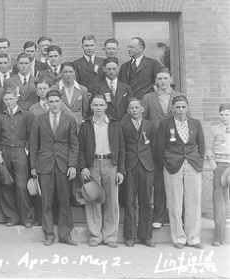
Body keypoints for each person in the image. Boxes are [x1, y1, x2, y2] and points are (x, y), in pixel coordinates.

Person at [154, 95, 205, 249]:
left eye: (183, 107)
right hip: (172, 165)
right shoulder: (165, 124)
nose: (181, 110)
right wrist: (167, 162)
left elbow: (201, 145)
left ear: (187, 108)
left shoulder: (196, 124)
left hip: (192, 164)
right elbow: (159, 148)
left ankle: (193, 238)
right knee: (175, 202)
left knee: (194, 202)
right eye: (177, 107)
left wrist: (200, 162)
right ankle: (179, 238)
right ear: (172, 108)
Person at [29, 90, 79, 246]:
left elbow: (74, 145)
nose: (55, 104)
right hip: (45, 165)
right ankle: (49, 234)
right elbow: (33, 144)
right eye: (51, 101)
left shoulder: (69, 120)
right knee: (46, 201)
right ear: (47, 103)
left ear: (61, 102)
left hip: (63, 165)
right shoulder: (39, 120)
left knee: (64, 200)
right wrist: (33, 166)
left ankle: (65, 234)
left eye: (57, 101)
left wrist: (72, 165)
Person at [78, 94, 125, 248]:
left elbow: (122, 149)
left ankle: (110, 236)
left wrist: (120, 170)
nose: (98, 108)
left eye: (101, 105)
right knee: (93, 199)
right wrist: (83, 166)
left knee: (112, 201)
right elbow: (81, 148)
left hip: (110, 163)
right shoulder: (86, 125)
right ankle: (95, 235)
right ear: (91, 107)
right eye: (95, 105)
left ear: (106, 106)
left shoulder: (114, 124)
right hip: (92, 165)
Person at [142, 68, 186, 229]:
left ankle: (177, 215)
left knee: (177, 181)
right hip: (156, 145)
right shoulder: (148, 98)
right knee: (159, 181)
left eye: (165, 78)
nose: (162, 81)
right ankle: (159, 215)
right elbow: (144, 123)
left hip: (175, 146)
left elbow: (185, 120)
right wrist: (147, 142)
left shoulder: (179, 97)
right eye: (159, 78)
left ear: (171, 79)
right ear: (156, 81)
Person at [119, 98, 156, 247]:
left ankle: (146, 235)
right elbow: (121, 146)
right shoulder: (123, 125)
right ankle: (130, 235)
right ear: (128, 111)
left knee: (146, 201)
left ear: (143, 109)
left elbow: (154, 146)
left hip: (147, 166)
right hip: (130, 165)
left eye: (137, 107)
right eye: (131, 108)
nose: (134, 110)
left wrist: (153, 163)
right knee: (129, 201)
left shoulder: (150, 126)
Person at [0, 91, 35, 228]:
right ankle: (11, 217)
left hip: (20, 151)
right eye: (6, 99)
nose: (8, 101)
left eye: (11, 98)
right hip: (5, 151)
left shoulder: (26, 115)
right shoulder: (1, 117)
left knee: (21, 185)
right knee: (6, 184)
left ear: (16, 99)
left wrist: (26, 149)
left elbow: (32, 135)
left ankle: (27, 217)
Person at [207, 103, 230, 247]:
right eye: (221, 114)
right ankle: (219, 237)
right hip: (220, 166)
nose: (224, 117)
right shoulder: (214, 129)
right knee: (219, 202)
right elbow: (208, 148)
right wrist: (213, 166)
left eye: (227, 114)